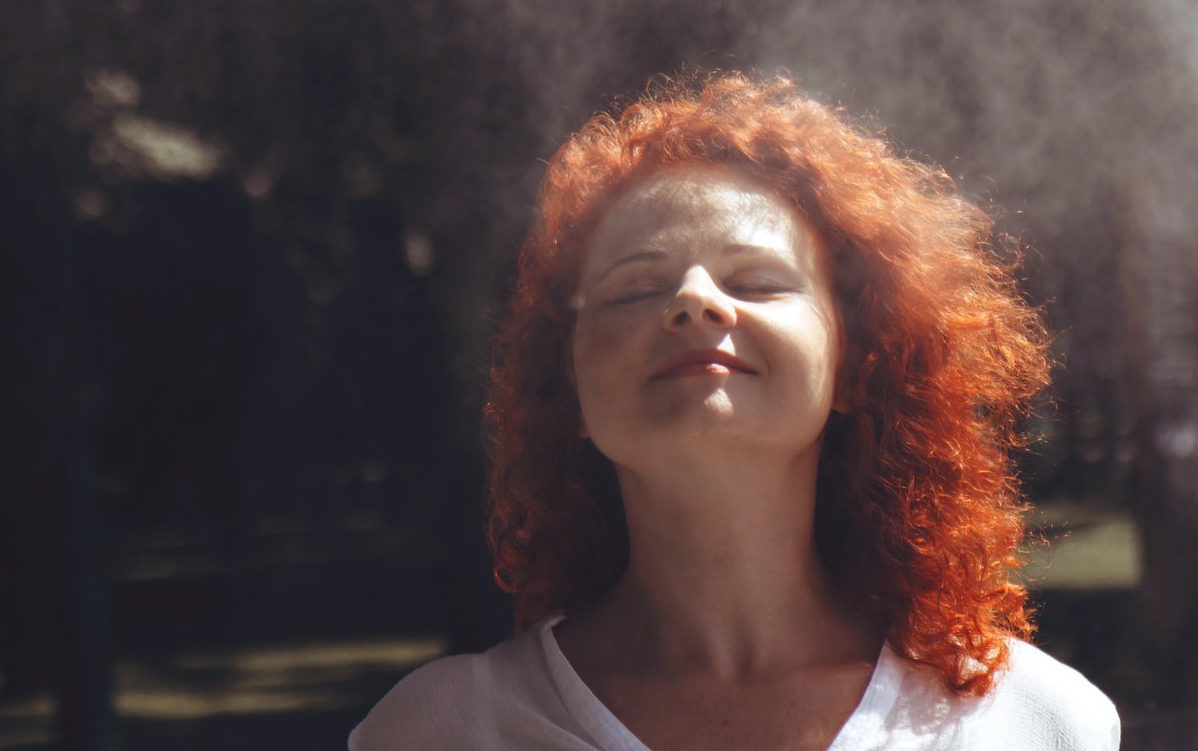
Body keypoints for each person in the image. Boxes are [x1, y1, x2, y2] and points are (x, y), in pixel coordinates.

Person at [350, 72, 1120, 750]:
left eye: (755, 280)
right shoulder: (438, 733)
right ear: (569, 394)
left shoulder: (1034, 724)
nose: (692, 299)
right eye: (634, 289)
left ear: (856, 365)